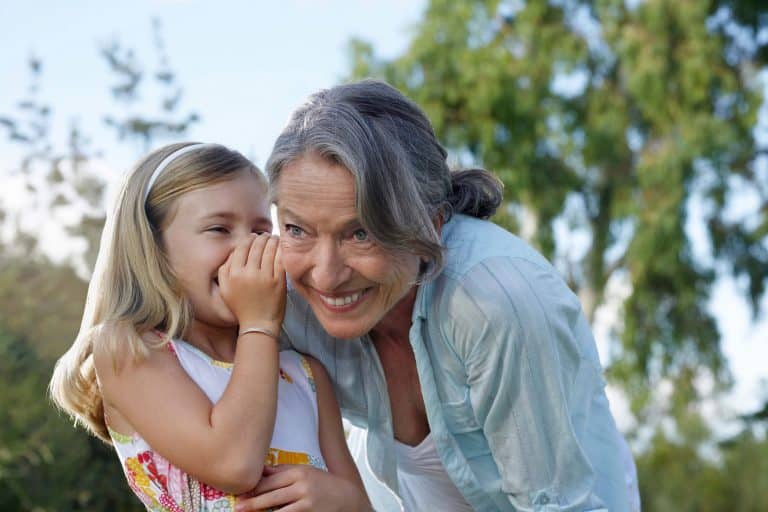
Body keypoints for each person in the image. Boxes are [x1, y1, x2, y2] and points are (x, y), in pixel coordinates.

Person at [258, 80, 639, 511]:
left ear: (432, 224)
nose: (325, 275)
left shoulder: (493, 302)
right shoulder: (284, 297)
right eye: (296, 229)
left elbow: (556, 505)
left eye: (361, 233)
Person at [49, 142, 371, 511]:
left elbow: (361, 503)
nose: (248, 247)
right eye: (219, 228)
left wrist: (344, 500)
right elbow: (234, 463)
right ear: (155, 250)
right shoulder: (129, 348)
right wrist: (260, 323)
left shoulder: (306, 375)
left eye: (262, 230)